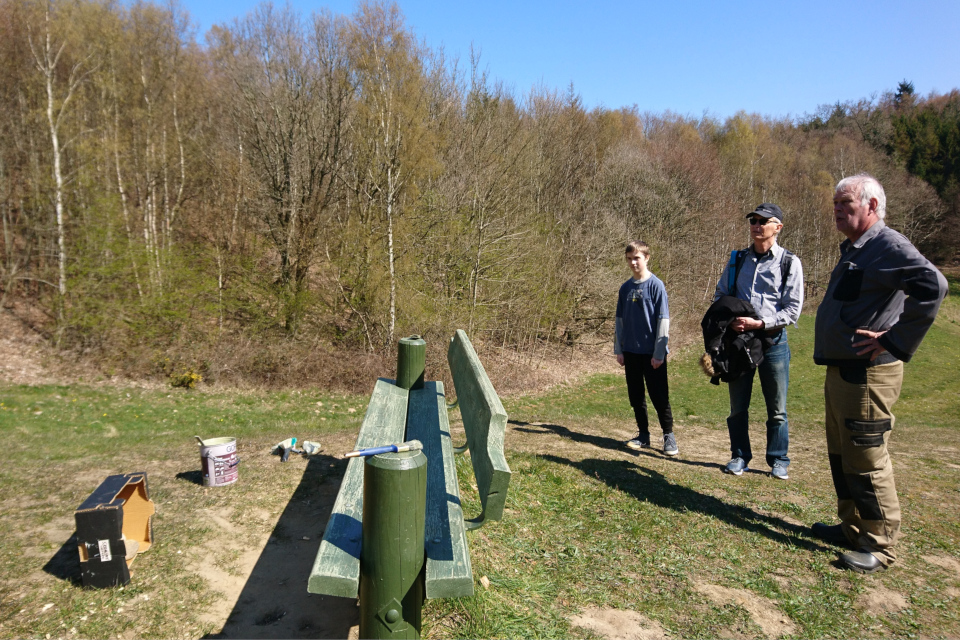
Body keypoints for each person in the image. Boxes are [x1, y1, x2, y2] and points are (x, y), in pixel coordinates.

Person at [810, 174, 947, 574]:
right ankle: (853, 527)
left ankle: (879, 544)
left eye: (846, 202)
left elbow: (933, 287)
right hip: (843, 371)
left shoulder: (888, 245)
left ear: (872, 206)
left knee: (867, 457)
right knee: (842, 455)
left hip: (869, 374)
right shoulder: (857, 248)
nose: (836, 208)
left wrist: (894, 339)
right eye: (834, 202)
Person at [714, 203, 804, 479]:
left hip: (773, 344)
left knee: (777, 409)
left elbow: (793, 309)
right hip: (739, 344)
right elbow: (720, 296)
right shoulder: (737, 259)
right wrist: (730, 320)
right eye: (753, 220)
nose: (757, 224)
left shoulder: (790, 262)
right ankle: (739, 456)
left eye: (764, 220)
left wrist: (761, 323)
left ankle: (779, 460)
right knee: (737, 407)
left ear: (778, 227)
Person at [615, 240, 678, 456]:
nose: (633, 262)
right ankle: (643, 435)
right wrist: (619, 349)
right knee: (636, 396)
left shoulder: (656, 286)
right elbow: (619, 321)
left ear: (647, 258)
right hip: (631, 352)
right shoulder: (625, 288)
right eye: (630, 259)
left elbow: (663, 320)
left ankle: (668, 436)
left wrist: (659, 353)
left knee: (659, 395)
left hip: (653, 354)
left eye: (637, 258)